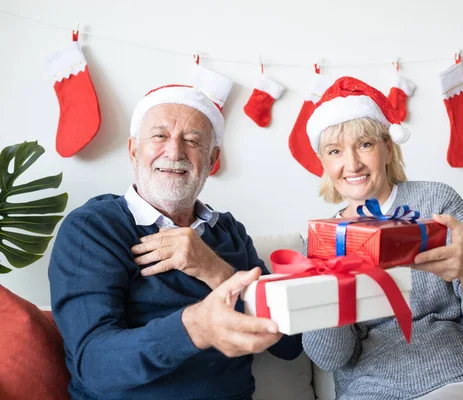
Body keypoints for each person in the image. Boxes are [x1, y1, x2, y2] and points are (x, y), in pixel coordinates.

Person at [48, 84, 302, 400]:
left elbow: (291, 345)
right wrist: (196, 327)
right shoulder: (95, 228)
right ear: (133, 150)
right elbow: (95, 364)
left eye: (193, 141)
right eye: (159, 136)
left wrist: (214, 269)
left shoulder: (229, 232)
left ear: (212, 159)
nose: (175, 151)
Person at [301, 76, 463, 400]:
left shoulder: (437, 203)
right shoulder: (322, 240)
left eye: (365, 144)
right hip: (370, 392)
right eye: (335, 151)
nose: (352, 164)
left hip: (462, 375)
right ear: (324, 163)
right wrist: (327, 296)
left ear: (388, 150)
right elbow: (330, 358)